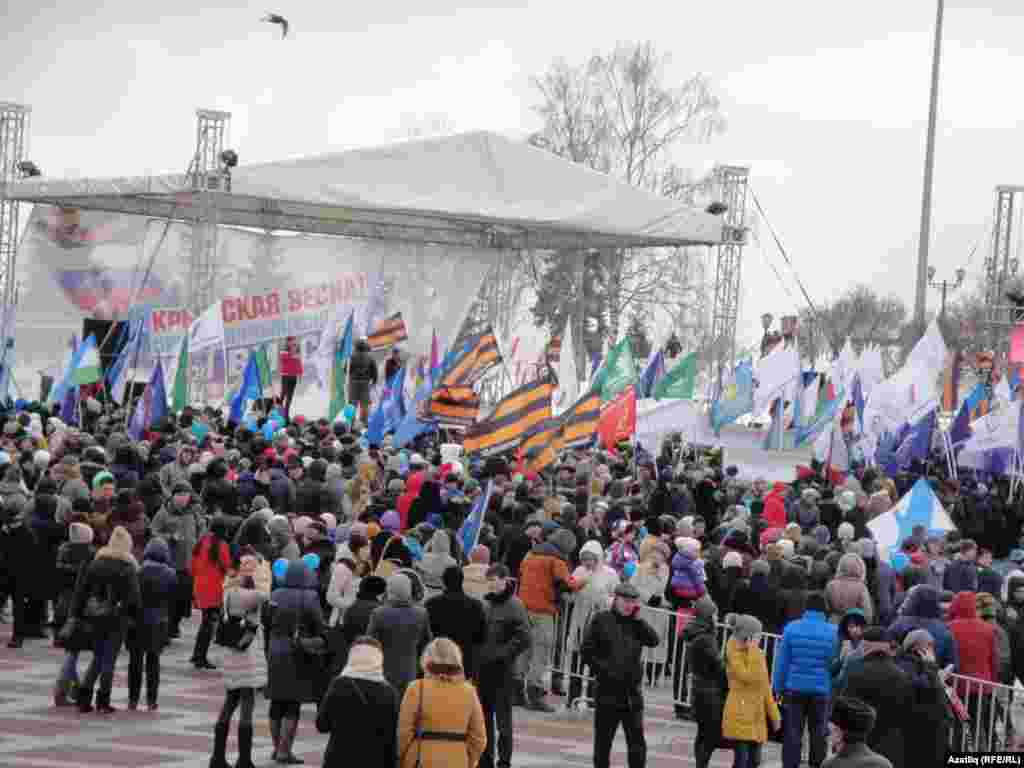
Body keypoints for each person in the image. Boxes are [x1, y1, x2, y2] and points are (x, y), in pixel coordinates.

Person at [581, 582, 660, 768]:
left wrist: (639, 620)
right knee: (603, 743)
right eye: (625, 600)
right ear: (616, 599)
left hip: (632, 695)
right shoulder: (601, 619)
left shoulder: (636, 624)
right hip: (607, 692)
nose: (628, 605)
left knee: (637, 744)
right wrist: (604, 670)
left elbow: (653, 640)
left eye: (633, 601)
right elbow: (586, 651)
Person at [70, 526, 141, 714]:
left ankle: (84, 697)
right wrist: (133, 617)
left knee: (98, 657)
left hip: (94, 616)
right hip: (118, 619)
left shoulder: (96, 563)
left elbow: (82, 591)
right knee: (109, 659)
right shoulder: (127, 568)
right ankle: (103, 699)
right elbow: (134, 598)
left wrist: (77, 614)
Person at [211, 554, 270, 768]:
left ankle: (217, 757)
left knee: (229, 702)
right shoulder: (253, 596)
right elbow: (266, 595)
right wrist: (261, 571)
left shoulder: (228, 593)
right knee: (247, 705)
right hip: (247, 655)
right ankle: (244, 760)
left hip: (230, 653)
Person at [266, 559, 326, 764]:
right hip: (297, 651)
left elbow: (266, 621)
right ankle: (284, 750)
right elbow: (319, 624)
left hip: (274, 650)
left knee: (276, 701)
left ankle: (276, 748)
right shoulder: (310, 596)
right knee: (292, 703)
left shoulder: (275, 594)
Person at [397, 637, 487, 768]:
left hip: (420, 760)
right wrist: (467, 760)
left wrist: (401, 759)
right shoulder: (469, 692)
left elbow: (403, 734)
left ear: (426, 659)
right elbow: (479, 738)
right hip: (457, 761)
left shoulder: (416, 688)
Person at [772, 591, 839, 768]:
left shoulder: (791, 628)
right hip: (821, 690)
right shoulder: (833, 632)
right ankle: (818, 765)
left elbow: (782, 662)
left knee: (792, 732)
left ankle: (790, 764)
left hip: (794, 688)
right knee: (819, 733)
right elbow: (834, 664)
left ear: (806, 608)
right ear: (825, 610)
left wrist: (778, 688)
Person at [478, 563, 530, 768]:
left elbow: (525, 637)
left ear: (504, 580)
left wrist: (504, 654)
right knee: (484, 718)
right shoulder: (485, 603)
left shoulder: (515, 605)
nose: (490, 585)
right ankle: (485, 759)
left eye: (493, 580)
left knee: (503, 720)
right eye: (488, 580)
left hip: (503, 670)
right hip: (484, 669)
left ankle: (505, 761)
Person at [317, 636, 398, 768]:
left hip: (338, 760)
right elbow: (391, 737)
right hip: (375, 761)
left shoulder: (339, 684)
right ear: (379, 658)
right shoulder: (389, 692)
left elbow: (322, 725)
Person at [840, 627, 914, 768]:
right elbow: (909, 714)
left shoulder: (857, 674)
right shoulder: (902, 676)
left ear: (865, 646)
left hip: (861, 748)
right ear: (887, 648)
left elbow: (845, 710)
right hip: (892, 747)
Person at [722, 614, 782, 768]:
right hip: (739, 714)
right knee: (741, 761)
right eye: (758, 635)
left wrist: (774, 715)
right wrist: (754, 651)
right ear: (748, 636)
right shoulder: (733, 652)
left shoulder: (758, 654)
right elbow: (746, 676)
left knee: (754, 761)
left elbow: (765, 687)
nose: (761, 638)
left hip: (756, 716)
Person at [128, 538, 177, 711]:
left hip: (137, 622)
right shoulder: (170, 574)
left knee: (135, 662)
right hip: (158, 622)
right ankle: (151, 700)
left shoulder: (137, 571)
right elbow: (173, 600)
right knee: (153, 662)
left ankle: (133, 699)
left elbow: (131, 598)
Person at [367, 573, 432, 700]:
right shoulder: (421, 614)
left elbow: (370, 645)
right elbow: (427, 643)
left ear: (389, 589)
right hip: (410, 669)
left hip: (383, 670)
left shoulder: (378, 614)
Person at [682, 596, 727, 768]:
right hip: (709, 692)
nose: (717, 618)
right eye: (715, 614)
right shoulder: (706, 638)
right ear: (707, 615)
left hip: (699, 688)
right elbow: (717, 665)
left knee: (702, 734)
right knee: (709, 736)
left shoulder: (695, 633)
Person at [424, 566, 487, 682]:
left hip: (438, 663)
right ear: (462, 581)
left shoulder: (431, 605)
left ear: (443, 581)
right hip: (464, 664)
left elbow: (426, 636)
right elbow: (481, 638)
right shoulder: (475, 606)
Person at [190, 518, 233, 670]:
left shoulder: (201, 542)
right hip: (214, 589)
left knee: (205, 623)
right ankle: (200, 657)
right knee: (208, 625)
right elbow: (227, 567)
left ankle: (197, 654)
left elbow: (192, 566)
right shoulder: (221, 545)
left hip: (199, 587)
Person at [821, 696, 892, 768]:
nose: (827, 734)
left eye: (829, 729)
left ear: (838, 732)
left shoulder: (830, 765)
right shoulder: (883, 764)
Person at [348, 338, 378, 424]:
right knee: (364, 404)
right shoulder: (370, 357)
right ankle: (364, 422)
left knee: (352, 405)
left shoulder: (351, 357)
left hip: (353, 383)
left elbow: (346, 369)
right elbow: (374, 371)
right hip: (365, 383)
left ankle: (351, 422)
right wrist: (374, 381)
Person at [278, 336, 303, 421]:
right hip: (285, 375)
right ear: (288, 341)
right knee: (283, 394)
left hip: (294, 376)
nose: (293, 342)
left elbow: (298, 361)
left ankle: (286, 414)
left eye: (294, 340)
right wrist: (292, 352)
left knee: (290, 396)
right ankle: (278, 412)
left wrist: (300, 373)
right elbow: (283, 359)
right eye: (292, 340)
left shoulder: (297, 348)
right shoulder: (284, 348)